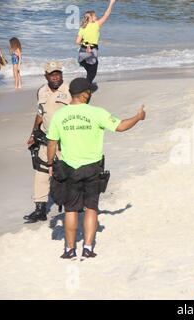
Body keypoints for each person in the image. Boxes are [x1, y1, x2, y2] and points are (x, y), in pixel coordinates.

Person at [46, 77, 146, 259]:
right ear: (85, 94)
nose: (90, 94)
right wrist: (138, 117)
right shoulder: (97, 113)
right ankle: (88, 248)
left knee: (70, 210)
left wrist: (51, 164)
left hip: (70, 168)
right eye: (89, 91)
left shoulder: (59, 115)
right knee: (91, 208)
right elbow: (121, 126)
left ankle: (69, 250)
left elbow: (52, 143)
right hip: (92, 168)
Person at [23, 62, 72, 223]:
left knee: (67, 173)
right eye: (52, 74)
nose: (56, 76)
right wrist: (33, 134)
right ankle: (40, 209)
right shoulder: (41, 91)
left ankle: (74, 204)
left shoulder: (70, 90)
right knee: (41, 173)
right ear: (46, 76)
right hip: (45, 138)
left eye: (58, 73)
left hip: (65, 140)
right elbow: (39, 114)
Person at [76, 0, 116, 85]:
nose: (96, 17)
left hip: (82, 51)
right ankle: (86, 86)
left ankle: (86, 82)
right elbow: (106, 14)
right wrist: (111, 3)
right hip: (92, 51)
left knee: (86, 65)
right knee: (92, 72)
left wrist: (86, 45)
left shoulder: (82, 27)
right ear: (90, 17)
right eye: (94, 16)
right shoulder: (96, 24)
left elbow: (77, 41)